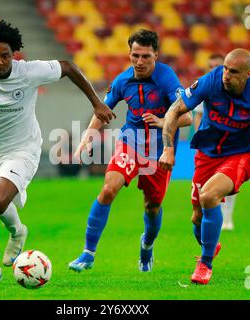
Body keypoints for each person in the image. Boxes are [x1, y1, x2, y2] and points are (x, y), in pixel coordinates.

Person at [0, 20, 115, 286]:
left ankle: (17, 231)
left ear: (15, 55)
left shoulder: (28, 71)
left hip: (23, 149)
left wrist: (97, 104)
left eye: (5, 56)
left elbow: (69, 67)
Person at [159, 48, 250, 285]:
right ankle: (210, 245)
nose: (226, 75)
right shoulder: (211, 81)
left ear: (248, 73)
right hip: (206, 156)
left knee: (209, 196)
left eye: (234, 72)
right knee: (196, 218)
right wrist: (168, 148)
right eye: (225, 68)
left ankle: (205, 265)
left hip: (240, 157)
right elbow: (175, 110)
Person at [68, 29, 192, 273]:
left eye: (146, 56)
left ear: (156, 55)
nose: (139, 61)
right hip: (130, 141)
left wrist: (163, 121)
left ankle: (147, 245)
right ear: (129, 54)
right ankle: (88, 253)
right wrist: (87, 138)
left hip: (159, 150)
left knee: (152, 206)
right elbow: (102, 109)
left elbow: (186, 117)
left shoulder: (167, 78)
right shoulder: (123, 80)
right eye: (135, 55)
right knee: (108, 190)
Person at [193, 53, 236, 231]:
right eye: (210, 66)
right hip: (209, 145)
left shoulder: (235, 88)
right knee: (206, 184)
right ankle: (211, 214)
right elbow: (198, 115)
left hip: (230, 142)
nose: (214, 69)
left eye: (218, 66)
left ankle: (227, 216)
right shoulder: (204, 85)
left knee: (230, 181)